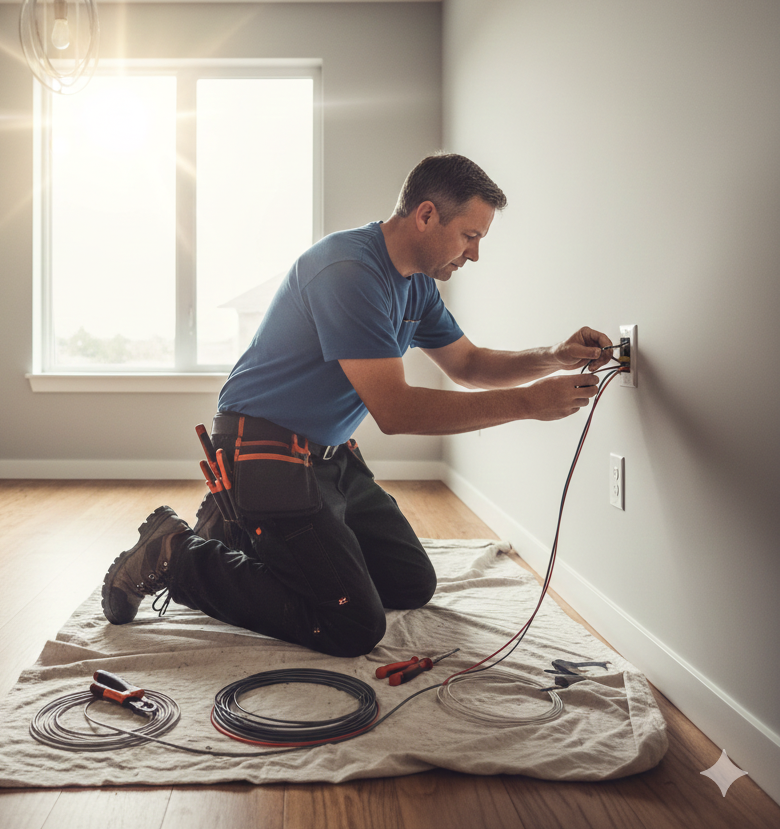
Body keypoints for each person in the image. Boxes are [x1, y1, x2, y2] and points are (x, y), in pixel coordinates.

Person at [101, 153, 613, 657]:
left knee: (411, 583)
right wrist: (528, 403)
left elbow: (469, 364)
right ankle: (176, 554)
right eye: (470, 235)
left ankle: (241, 532)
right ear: (427, 214)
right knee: (350, 623)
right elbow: (396, 411)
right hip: (264, 450)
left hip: (329, 457)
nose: (474, 253)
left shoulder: (416, 285)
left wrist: (556, 357)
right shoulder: (347, 270)